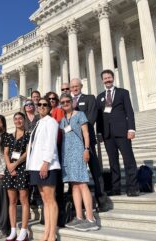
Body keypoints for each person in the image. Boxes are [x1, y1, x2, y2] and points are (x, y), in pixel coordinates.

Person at [59, 93, 99, 231]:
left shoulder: (80, 115)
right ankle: (79, 216)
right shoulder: (62, 120)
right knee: (74, 185)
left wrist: (86, 149)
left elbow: (86, 133)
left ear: (72, 102)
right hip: (67, 154)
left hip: (78, 151)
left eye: (67, 101)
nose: (65, 104)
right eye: (62, 102)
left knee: (82, 183)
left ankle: (90, 218)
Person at [96, 69, 139, 197]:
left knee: (128, 159)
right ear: (102, 80)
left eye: (109, 77)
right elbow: (99, 117)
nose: (107, 80)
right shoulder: (100, 97)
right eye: (105, 78)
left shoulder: (123, 93)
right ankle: (116, 188)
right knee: (112, 161)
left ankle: (133, 187)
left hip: (122, 132)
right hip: (108, 134)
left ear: (113, 78)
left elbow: (129, 112)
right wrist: (99, 132)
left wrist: (131, 129)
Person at [70, 78, 108, 212]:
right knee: (76, 173)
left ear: (81, 86)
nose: (75, 88)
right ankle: (77, 204)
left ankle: (101, 199)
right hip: (73, 143)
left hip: (87, 140)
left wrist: (79, 130)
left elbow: (91, 117)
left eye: (77, 86)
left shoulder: (89, 98)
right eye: (72, 87)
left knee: (95, 170)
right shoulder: (69, 102)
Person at [26, 97, 61, 241]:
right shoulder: (39, 122)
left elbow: (51, 142)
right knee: (45, 200)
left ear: (50, 107)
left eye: (45, 104)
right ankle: (46, 231)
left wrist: (46, 162)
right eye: (39, 104)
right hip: (36, 165)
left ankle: (52, 233)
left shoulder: (51, 122)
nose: (41, 106)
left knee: (50, 199)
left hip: (47, 165)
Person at [3, 112, 30, 241]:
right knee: (12, 201)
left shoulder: (28, 135)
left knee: (24, 200)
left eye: (20, 119)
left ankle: (24, 231)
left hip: (22, 168)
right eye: (16, 119)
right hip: (10, 169)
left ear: (24, 120)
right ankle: (13, 230)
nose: (18, 121)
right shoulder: (8, 136)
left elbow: (27, 152)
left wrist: (16, 164)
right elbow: (6, 152)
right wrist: (9, 166)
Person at [44, 92, 65, 227]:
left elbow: (60, 129)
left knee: (58, 183)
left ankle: (60, 215)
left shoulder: (59, 111)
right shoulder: (44, 115)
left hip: (57, 147)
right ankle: (49, 216)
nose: (51, 101)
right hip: (46, 151)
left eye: (53, 99)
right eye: (49, 99)